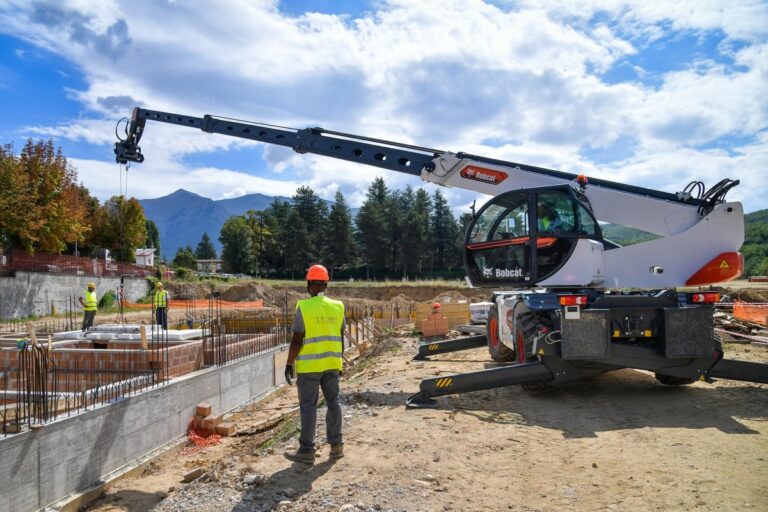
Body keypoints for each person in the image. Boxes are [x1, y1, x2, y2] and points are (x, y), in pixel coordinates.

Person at [284, 264, 345, 464]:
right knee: (333, 403)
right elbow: (340, 336)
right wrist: (340, 361)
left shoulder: (304, 307)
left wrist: (289, 363)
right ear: (326, 284)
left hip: (310, 368)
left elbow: (297, 339)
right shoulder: (338, 306)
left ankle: (306, 450)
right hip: (332, 364)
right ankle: (336, 446)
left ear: (309, 284)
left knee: (308, 407)